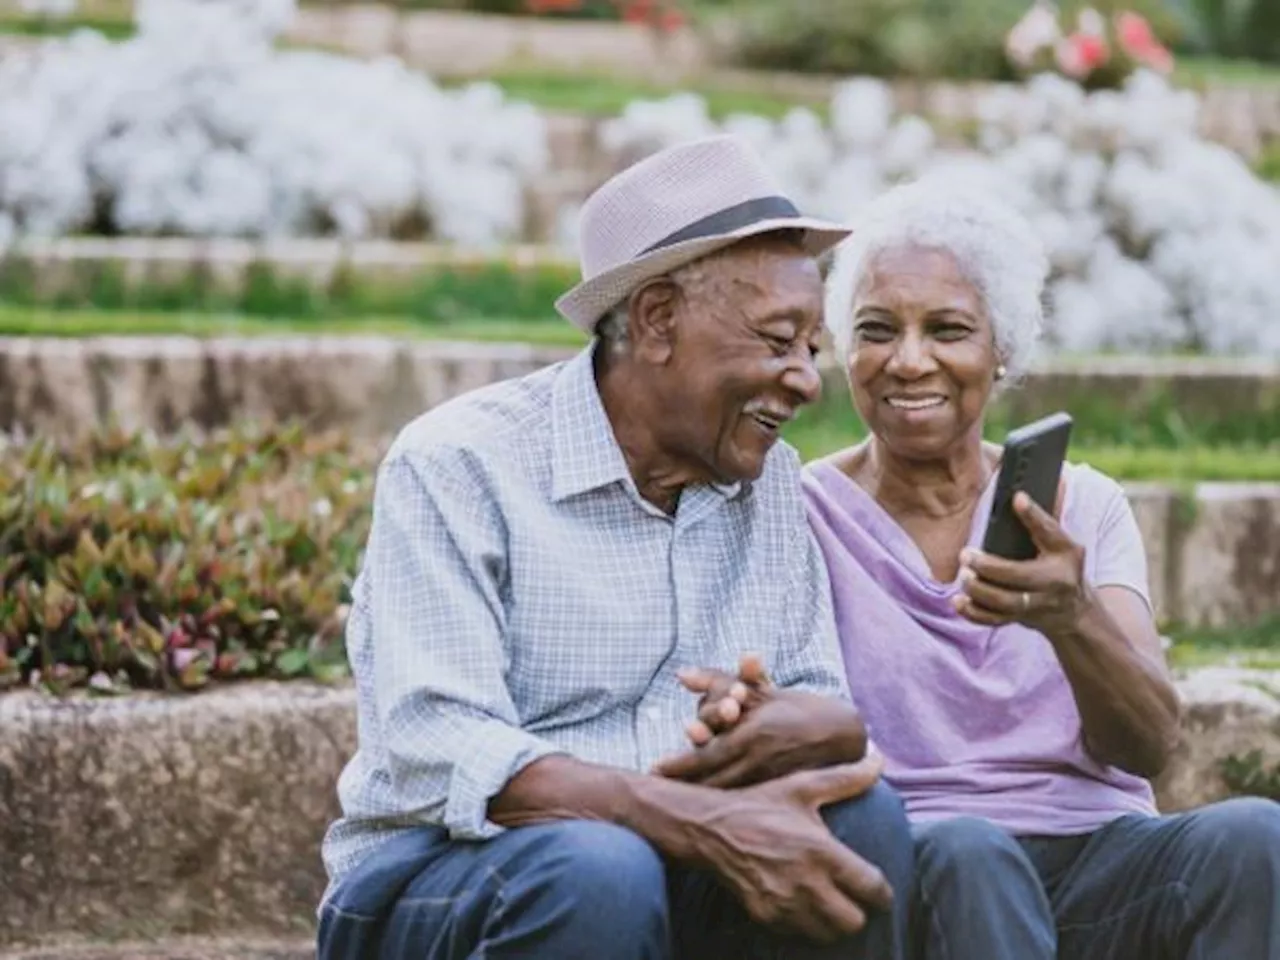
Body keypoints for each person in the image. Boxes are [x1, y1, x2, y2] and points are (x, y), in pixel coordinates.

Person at [315, 135, 915, 960]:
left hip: (668, 856)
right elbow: (437, 744)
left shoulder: (769, 481)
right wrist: (690, 818)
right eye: (779, 341)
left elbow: (816, 699)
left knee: (858, 823)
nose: (808, 380)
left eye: (811, 350)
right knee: (600, 869)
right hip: (447, 876)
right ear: (658, 321)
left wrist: (790, 726)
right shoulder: (459, 463)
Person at [795, 179, 1280, 959]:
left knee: (1254, 836)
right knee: (973, 855)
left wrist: (1072, 616)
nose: (909, 360)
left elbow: (1150, 743)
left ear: (1003, 350)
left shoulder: (1082, 505)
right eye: (878, 330)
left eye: (948, 329)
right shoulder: (802, 511)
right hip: (927, 869)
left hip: (1097, 856)